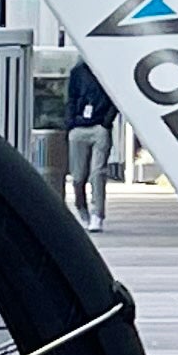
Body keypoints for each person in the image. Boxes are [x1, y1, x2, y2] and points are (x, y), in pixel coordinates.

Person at [61, 60, 117, 229]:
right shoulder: (78, 71)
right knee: (78, 176)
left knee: (98, 172)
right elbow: (71, 97)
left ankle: (97, 213)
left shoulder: (108, 70)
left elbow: (115, 98)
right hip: (79, 127)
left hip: (99, 126)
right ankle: (81, 207)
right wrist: (71, 122)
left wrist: (106, 122)